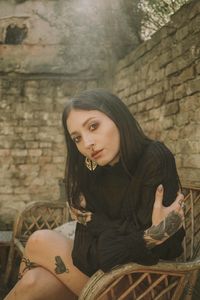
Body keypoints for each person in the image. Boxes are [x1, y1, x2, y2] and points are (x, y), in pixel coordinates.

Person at [4, 89, 185, 300]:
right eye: (77, 138)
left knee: (38, 242)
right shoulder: (93, 170)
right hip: (104, 276)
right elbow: (83, 254)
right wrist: (145, 237)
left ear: (117, 117)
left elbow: (164, 250)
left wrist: (97, 226)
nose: (87, 143)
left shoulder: (154, 158)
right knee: (33, 281)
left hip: (147, 284)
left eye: (93, 126)